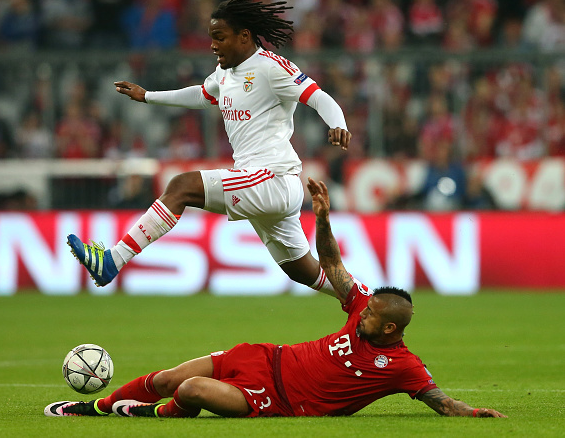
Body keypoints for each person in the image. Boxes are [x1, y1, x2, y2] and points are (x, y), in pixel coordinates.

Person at [46, 178, 506, 419]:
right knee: (169, 378)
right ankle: (96, 408)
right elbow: (332, 265)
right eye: (364, 307)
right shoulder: (362, 307)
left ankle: (155, 416)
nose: (360, 310)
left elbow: (441, 402)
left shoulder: (402, 366)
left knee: (189, 391)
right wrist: (322, 219)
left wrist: (474, 413)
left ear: (390, 328)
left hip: (275, 398)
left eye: (369, 314)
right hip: (267, 357)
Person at [67, 0, 352, 296]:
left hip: (273, 178)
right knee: (300, 269)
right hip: (259, 180)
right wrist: (148, 96)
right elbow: (201, 95)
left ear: (244, 36)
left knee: (181, 186)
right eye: (211, 37)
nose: (213, 45)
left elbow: (318, 97)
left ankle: (112, 260)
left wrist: (338, 124)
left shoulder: (271, 67)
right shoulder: (225, 72)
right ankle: (361, 299)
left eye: (220, 37)